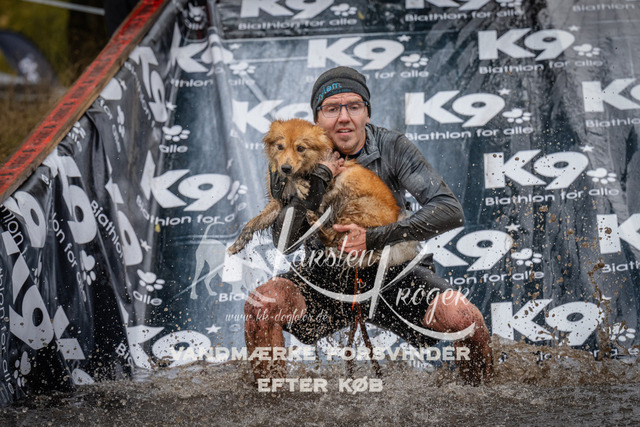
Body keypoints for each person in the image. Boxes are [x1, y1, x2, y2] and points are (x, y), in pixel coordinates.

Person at [244, 66, 493, 385]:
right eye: (332, 109)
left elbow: (449, 210)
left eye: (354, 106)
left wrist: (374, 237)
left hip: (394, 274)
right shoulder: (294, 155)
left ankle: (481, 401)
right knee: (262, 305)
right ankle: (270, 405)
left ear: (367, 113)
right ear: (316, 118)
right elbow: (285, 243)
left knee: (464, 317)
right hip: (325, 275)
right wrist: (317, 182)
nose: (343, 118)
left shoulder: (393, 146)